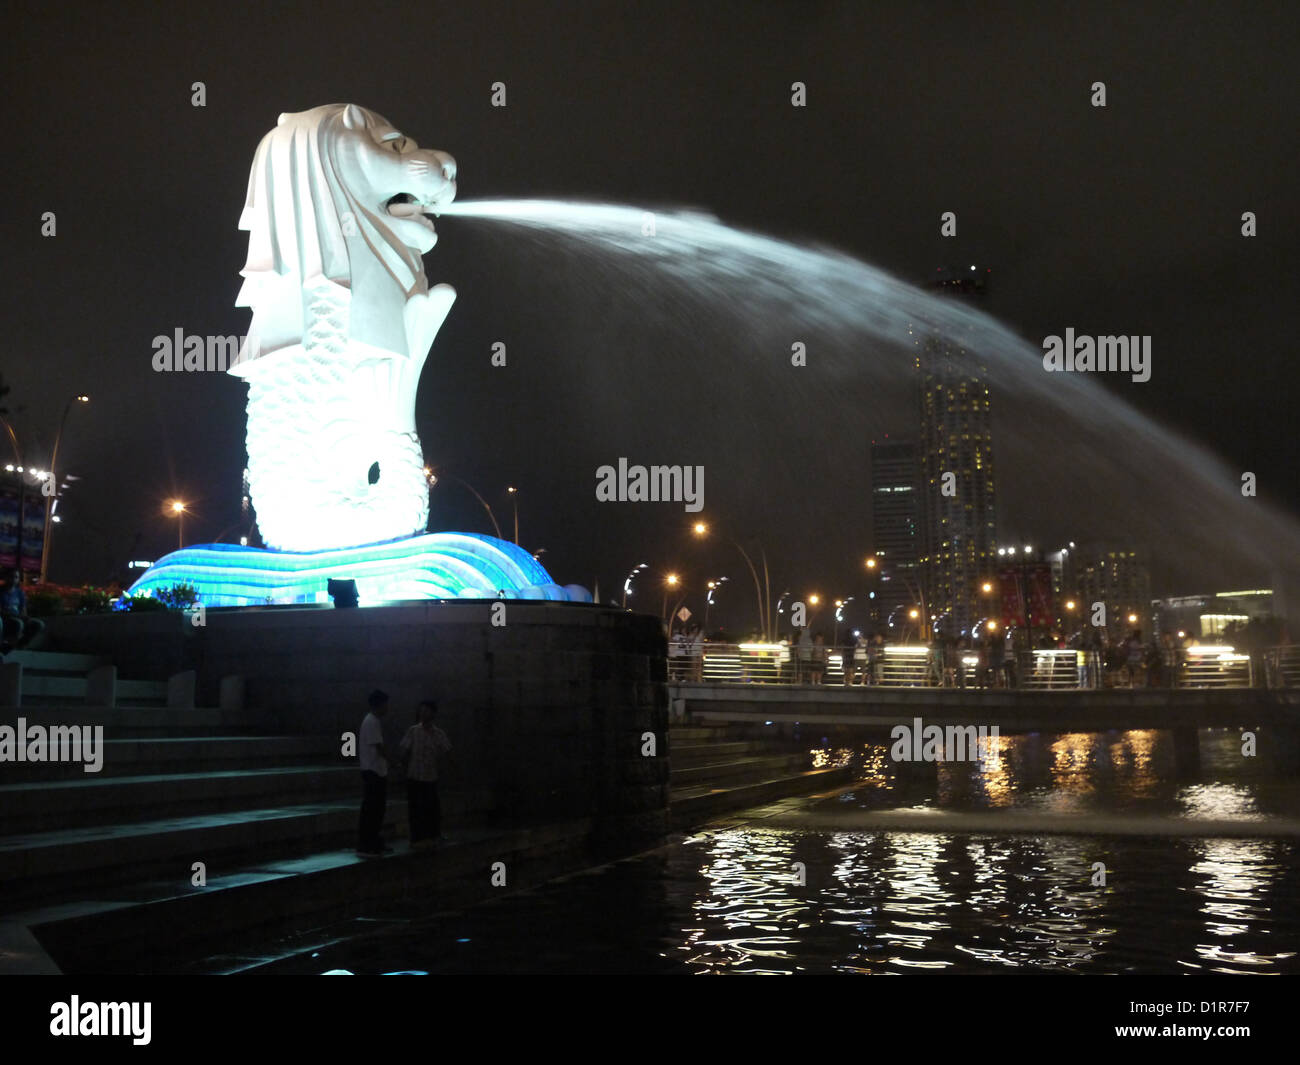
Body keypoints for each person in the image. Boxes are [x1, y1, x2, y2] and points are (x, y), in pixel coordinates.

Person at [400, 700, 452, 849]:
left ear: (433, 713)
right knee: (416, 809)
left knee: (432, 808)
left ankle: (433, 834)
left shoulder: (439, 733)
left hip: (430, 776)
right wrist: (402, 767)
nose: (423, 713)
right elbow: (404, 750)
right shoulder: (413, 731)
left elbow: (448, 751)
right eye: (421, 710)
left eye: (426, 710)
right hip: (415, 775)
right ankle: (416, 838)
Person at [357, 689, 391, 858]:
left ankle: (372, 840)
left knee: (375, 809)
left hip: (375, 770)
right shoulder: (371, 721)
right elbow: (379, 747)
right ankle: (367, 843)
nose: (388, 707)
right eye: (386, 704)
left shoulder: (372, 721)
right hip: (373, 771)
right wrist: (394, 761)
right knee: (373, 809)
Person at [1, 569, 45, 653]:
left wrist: (25, 617)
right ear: (6, 577)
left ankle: (20, 645)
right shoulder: (1, 591)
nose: (13, 579)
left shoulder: (19, 593)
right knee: (18, 623)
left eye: (16, 577)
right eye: (11, 577)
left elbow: (23, 609)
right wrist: (19, 617)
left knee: (39, 624)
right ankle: (8, 646)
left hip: (19, 617)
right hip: (5, 619)